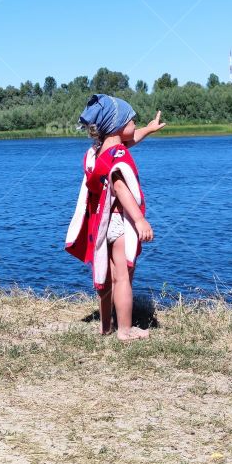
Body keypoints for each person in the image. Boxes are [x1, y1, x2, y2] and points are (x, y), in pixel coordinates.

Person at [65, 94, 165, 340]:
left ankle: (105, 326)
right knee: (123, 278)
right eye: (132, 121)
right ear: (117, 125)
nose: (135, 124)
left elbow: (130, 138)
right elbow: (120, 188)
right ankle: (125, 331)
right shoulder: (118, 154)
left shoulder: (98, 152)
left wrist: (149, 129)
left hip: (102, 224)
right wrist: (139, 220)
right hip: (120, 221)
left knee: (107, 276)